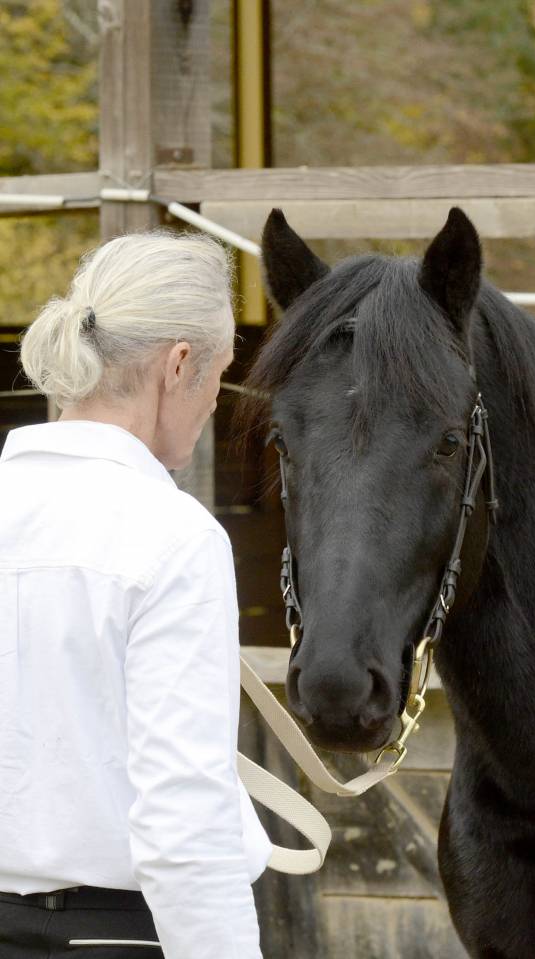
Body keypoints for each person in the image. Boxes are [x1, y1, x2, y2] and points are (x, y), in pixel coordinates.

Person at [0, 231, 272, 958]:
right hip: (112, 932)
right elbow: (183, 814)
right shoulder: (173, 536)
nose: (216, 400)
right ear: (179, 363)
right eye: (219, 374)